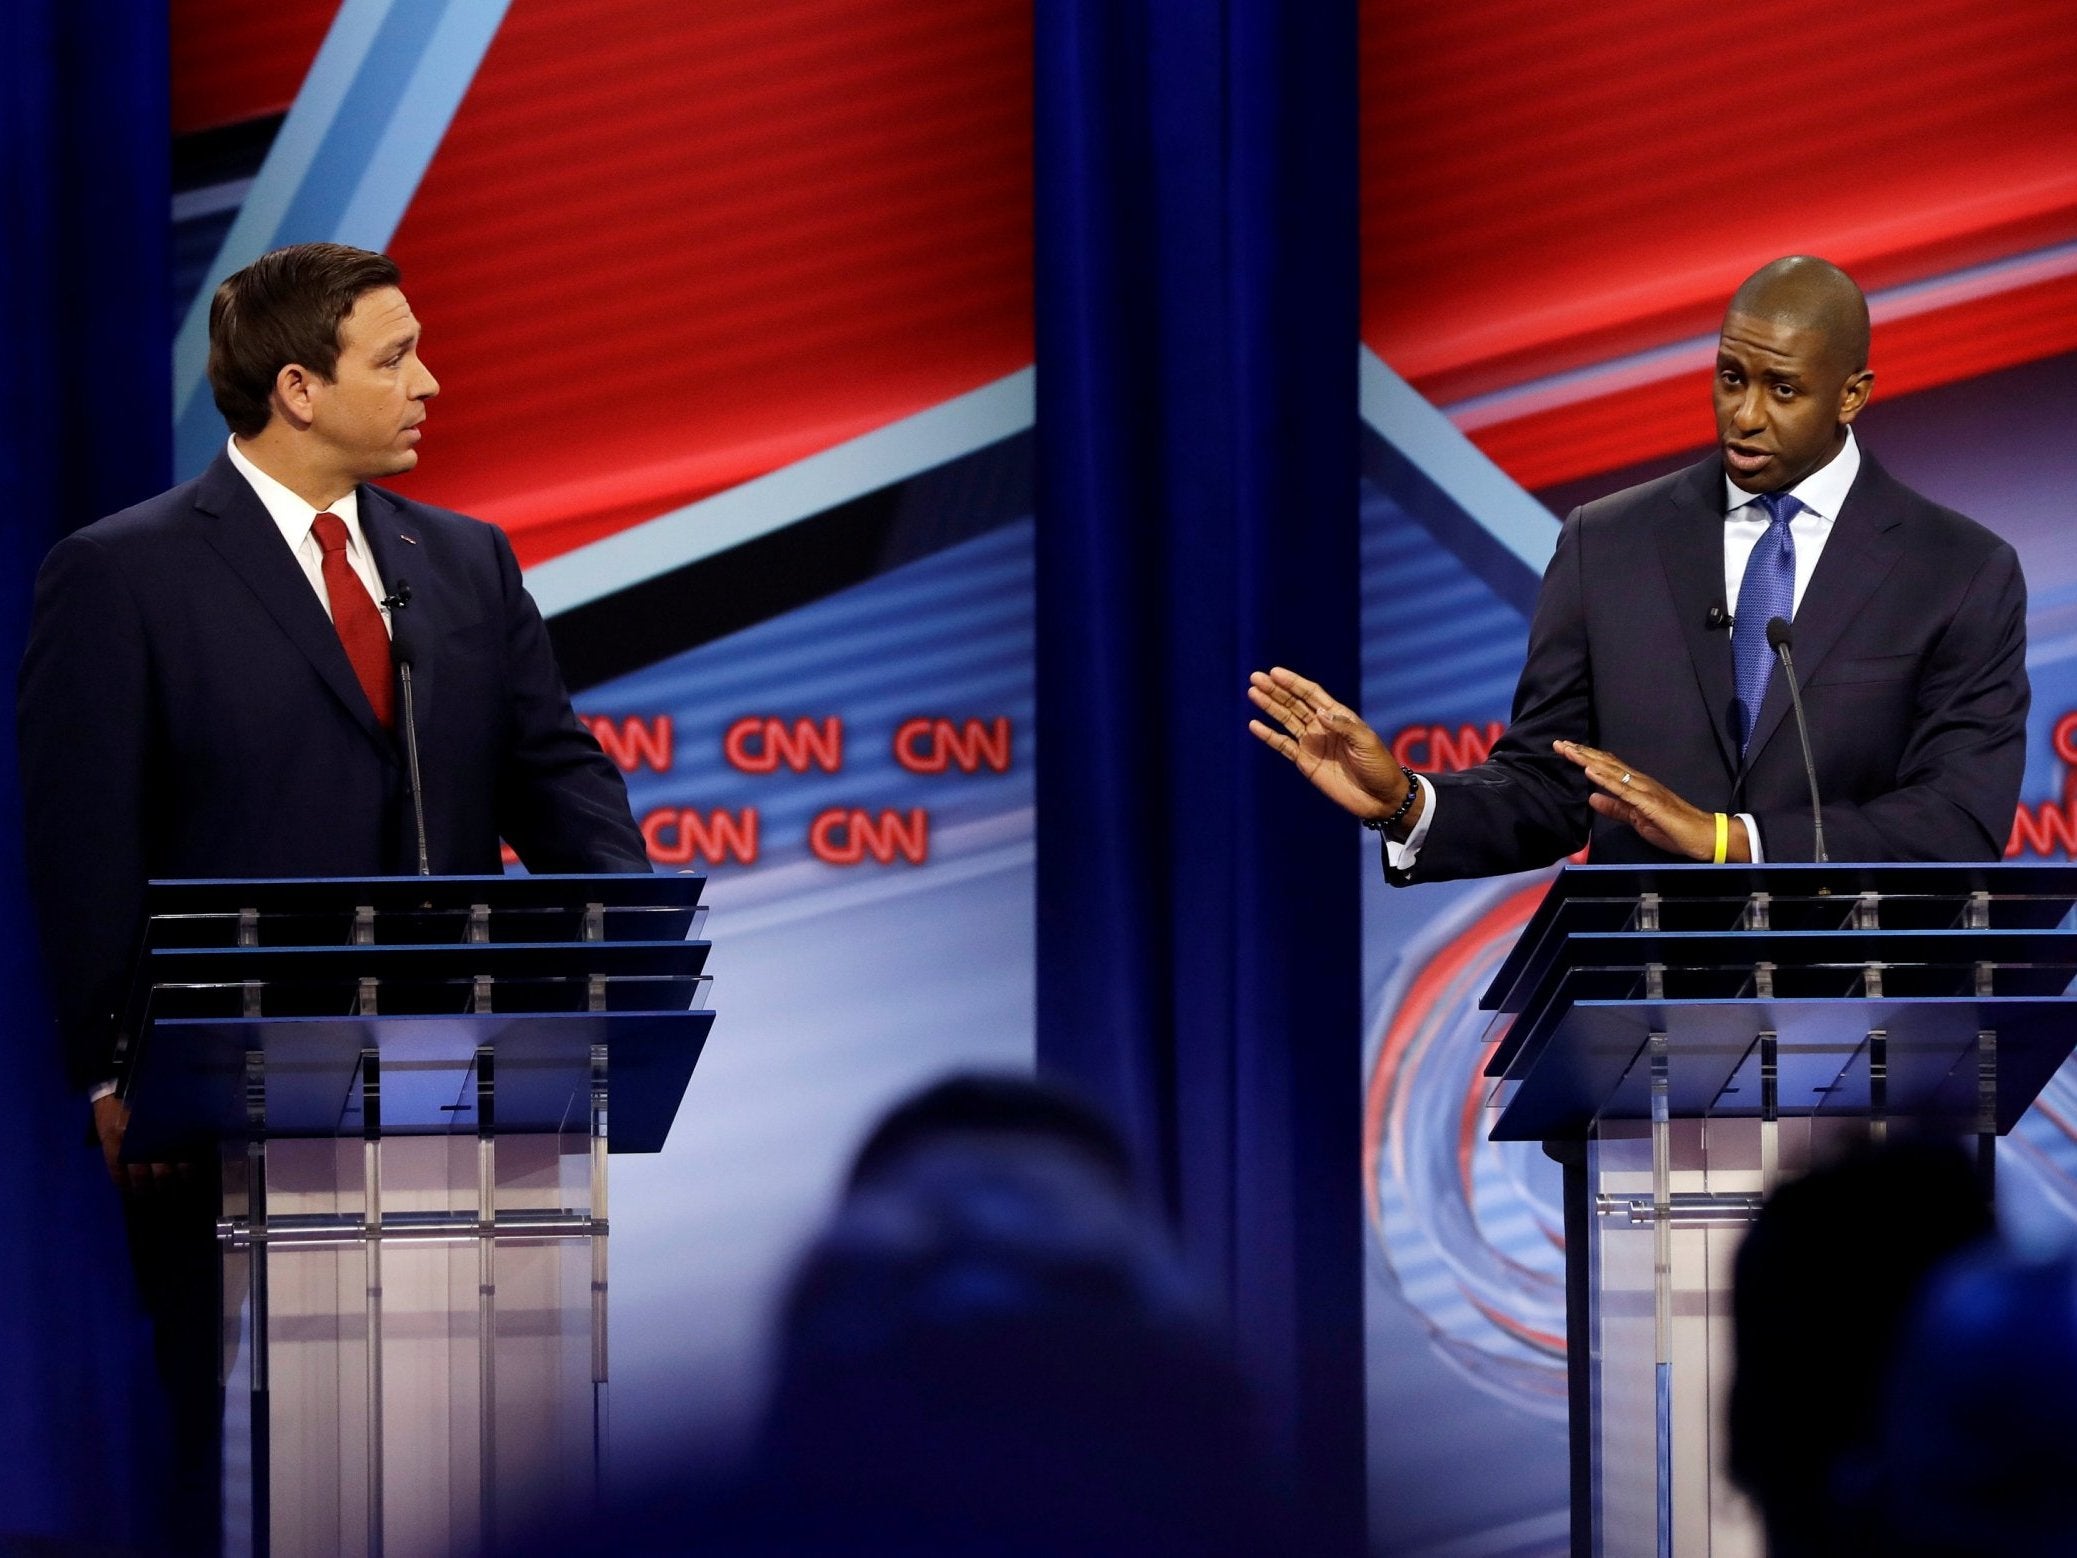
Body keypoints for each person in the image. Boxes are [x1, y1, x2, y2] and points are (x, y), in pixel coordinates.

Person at [15, 241, 649, 1549]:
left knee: (472, 1464)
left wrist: (633, 958)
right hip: (229, 1105)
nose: (431, 380)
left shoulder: (463, 562)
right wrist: (114, 1071)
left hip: (463, 1096)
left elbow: (557, 779)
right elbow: (83, 846)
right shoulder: (122, 573)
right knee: (256, 1470)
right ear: (298, 388)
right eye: (396, 355)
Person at [1249, 255, 2029, 878]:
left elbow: (1955, 820)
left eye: (1781, 390)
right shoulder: (1607, 543)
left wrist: (1730, 840)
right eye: (1731, 378)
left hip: (1861, 1022)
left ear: (1851, 396)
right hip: (1643, 1024)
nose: (1744, 414)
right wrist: (1407, 803)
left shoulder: (1958, 572)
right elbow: (1549, 786)